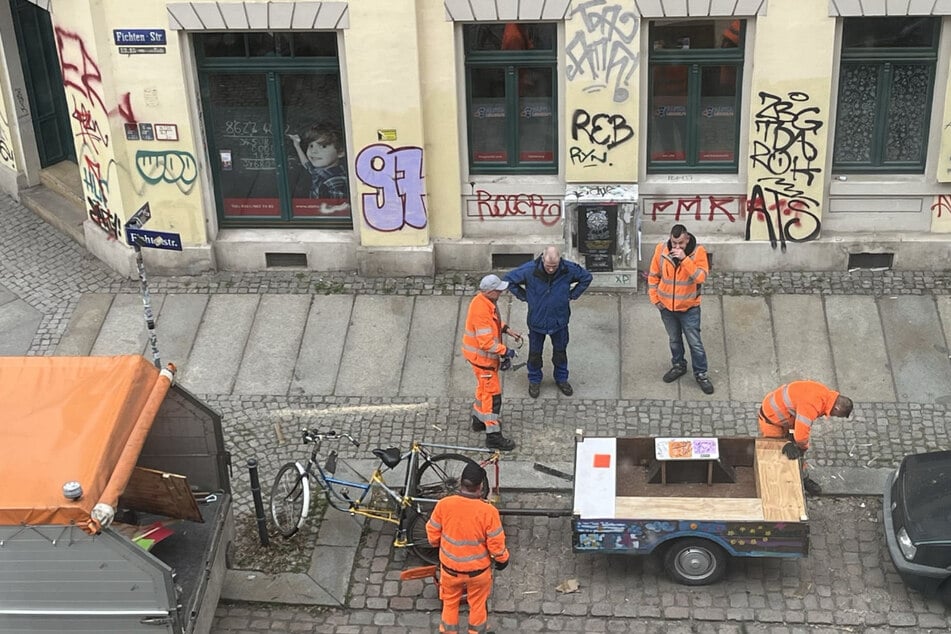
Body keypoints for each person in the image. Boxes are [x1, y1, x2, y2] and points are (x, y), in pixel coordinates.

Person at [427, 461, 510, 634]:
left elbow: (432, 532)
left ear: (461, 482)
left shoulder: (444, 504)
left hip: (449, 571)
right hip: (478, 574)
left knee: (449, 604)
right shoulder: (488, 512)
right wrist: (503, 560)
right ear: (480, 486)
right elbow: (496, 544)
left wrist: (437, 544)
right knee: (478, 605)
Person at [504, 246, 592, 398]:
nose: (551, 269)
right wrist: (525, 296)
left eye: (554, 266)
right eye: (548, 266)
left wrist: (572, 295)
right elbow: (508, 280)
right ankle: (534, 380)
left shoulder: (568, 269)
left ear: (559, 261)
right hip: (537, 322)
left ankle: (561, 379)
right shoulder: (529, 270)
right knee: (534, 354)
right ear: (543, 259)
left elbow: (586, 277)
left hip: (559, 321)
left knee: (560, 352)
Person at [648, 224, 714, 394]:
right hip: (667, 307)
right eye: (674, 242)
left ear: (687, 240)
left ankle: (701, 374)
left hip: (689, 308)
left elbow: (700, 276)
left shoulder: (698, 252)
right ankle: (678, 365)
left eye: (680, 244)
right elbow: (654, 275)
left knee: (695, 343)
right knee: (674, 340)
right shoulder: (661, 250)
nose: (676, 247)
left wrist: (685, 259)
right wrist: (655, 299)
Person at [759, 381, 853, 495]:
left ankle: (802, 479)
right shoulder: (813, 404)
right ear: (837, 408)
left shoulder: (824, 395)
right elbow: (800, 437)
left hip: (785, 416)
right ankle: (779, 487)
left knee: (794, 452)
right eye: (837, 415)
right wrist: (802, 447)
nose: (834, 417)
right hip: (772, 421)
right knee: (780, 456)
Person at [461, 274, 521, 451]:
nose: (502, 292)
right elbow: (486, 343)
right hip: (484, 361)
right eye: (499, 290)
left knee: (482, 390)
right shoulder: (482, 309)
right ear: (490, 291)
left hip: (479, 360)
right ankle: (493, 436)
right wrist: (507, 351)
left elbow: (492, 325)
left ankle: (478, 420)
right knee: (493, 397)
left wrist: (507, 330)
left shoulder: (483, 302)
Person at [288, 124, 349, 202]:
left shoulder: (335, 183)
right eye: (311, 146)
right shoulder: (321, 172)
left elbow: (336, 210)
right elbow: (307, 165)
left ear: (340, 152)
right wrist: (297, 145)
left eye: (323, 146)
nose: (313, 151)